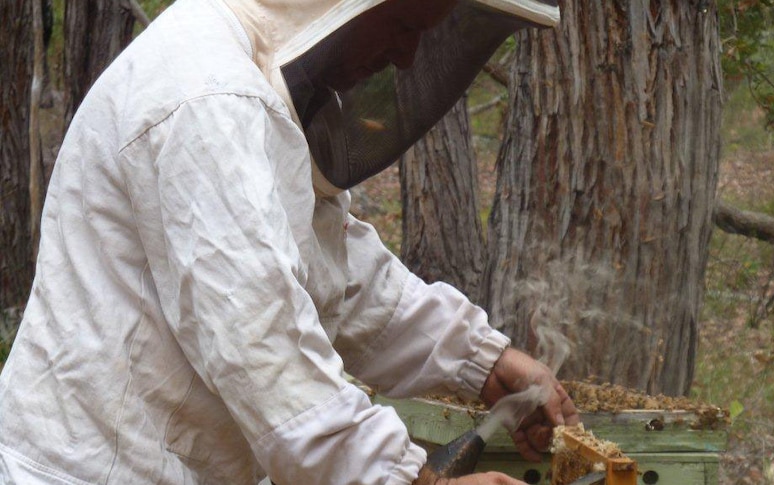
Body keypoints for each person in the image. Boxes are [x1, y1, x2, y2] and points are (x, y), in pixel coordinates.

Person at [0, 0, 577, 483]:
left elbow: (338, 273)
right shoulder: (208, 99)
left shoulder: (246, 74)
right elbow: (262, 342)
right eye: (404, 28)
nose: (405, 57)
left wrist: (485, 360)